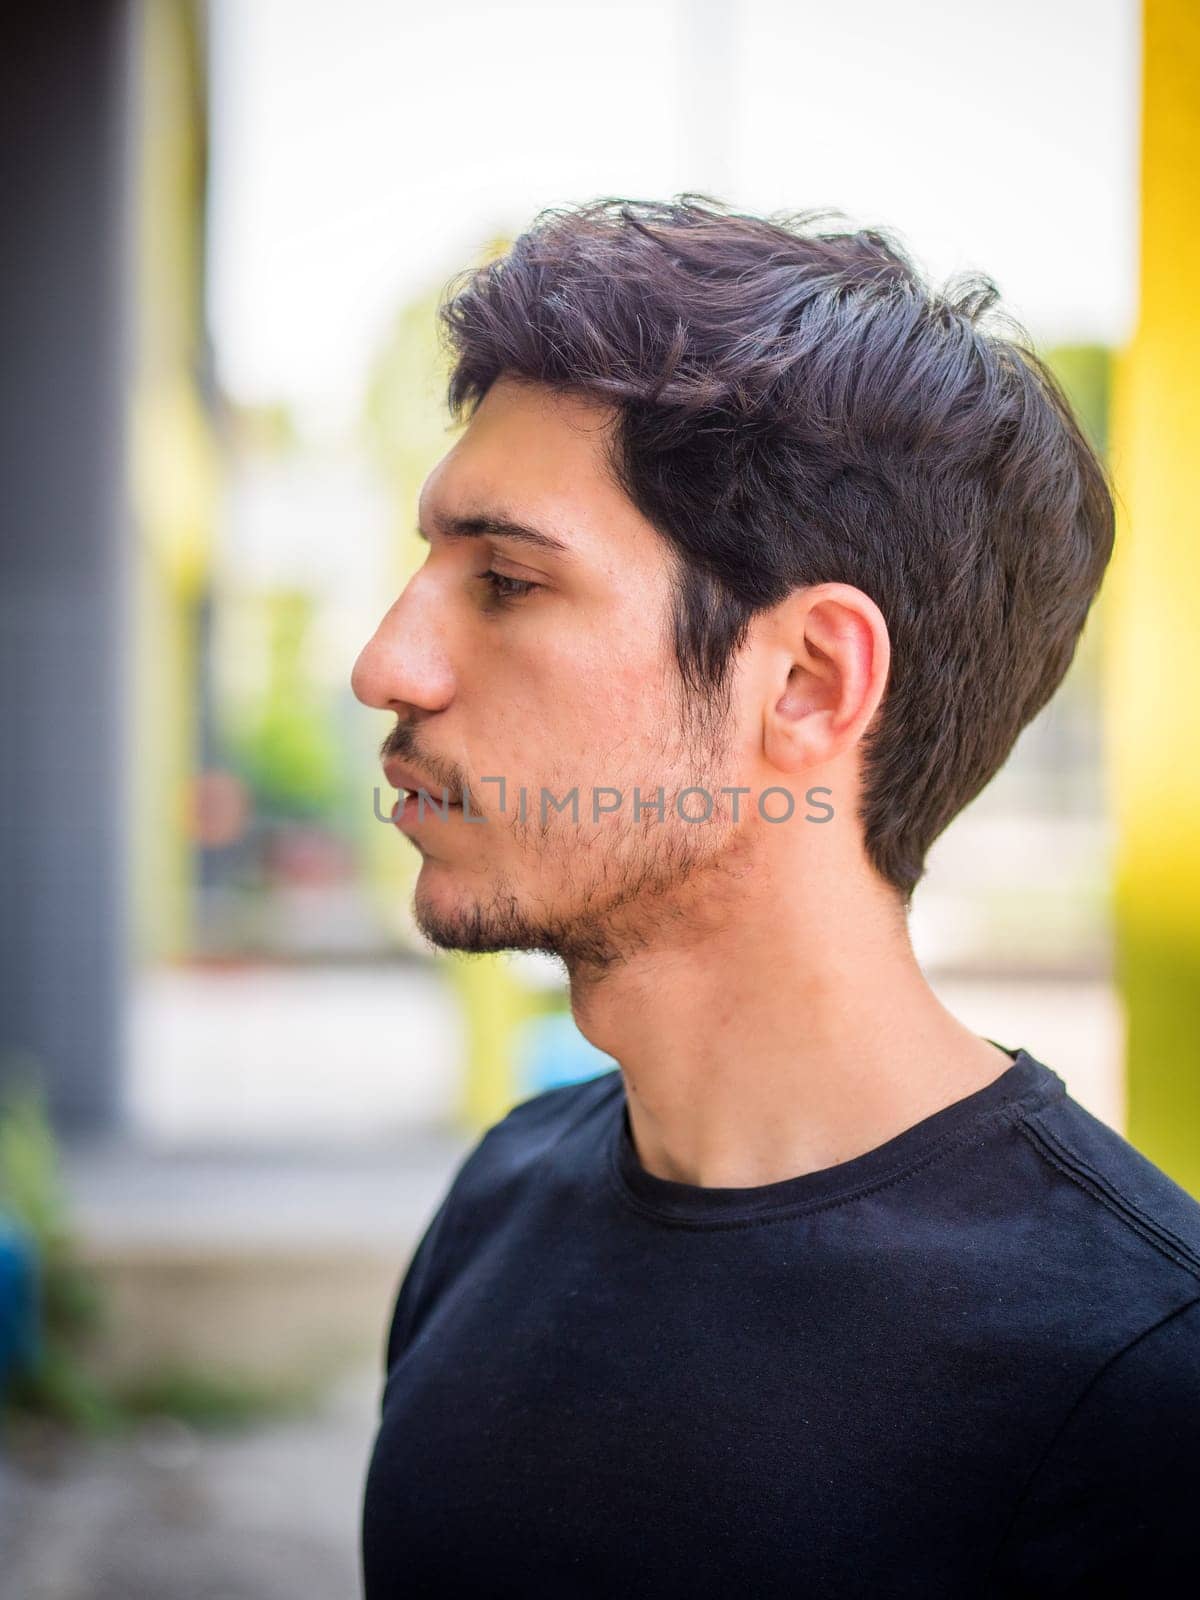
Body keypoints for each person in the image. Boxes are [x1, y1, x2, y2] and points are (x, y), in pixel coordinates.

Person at [352, 196, 1200, 1597]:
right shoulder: (499, 1203)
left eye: (506, 581)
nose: (388, 663)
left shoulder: (1137, 1385)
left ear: (808, 683)